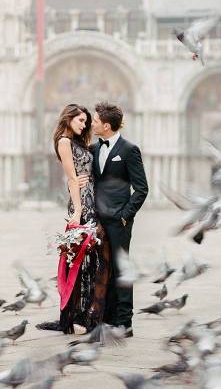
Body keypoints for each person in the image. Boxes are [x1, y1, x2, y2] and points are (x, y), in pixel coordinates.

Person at [37, 104, 109, 334]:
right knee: (79, 260)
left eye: (86, 121)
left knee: (91, 261)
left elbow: (85, 173)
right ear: (68, 119)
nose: (84, 124)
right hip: (83, 205)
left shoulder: (81, 144)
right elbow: (71, 179)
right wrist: (77, 211)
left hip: (93, 201)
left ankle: (87, 313)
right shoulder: (64, 143)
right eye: (80, 120)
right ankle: (74, 317)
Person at [88, 101, 149, 337]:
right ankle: (107, 318)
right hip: (97, 221)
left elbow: (142, 189)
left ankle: (125, 322)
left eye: (94, 121)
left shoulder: (129, 150)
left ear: (106, 125)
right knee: (103, 269)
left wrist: (125, 216)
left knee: (122, 269)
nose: (91, 124)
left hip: (119, 221)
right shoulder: (93, 150)